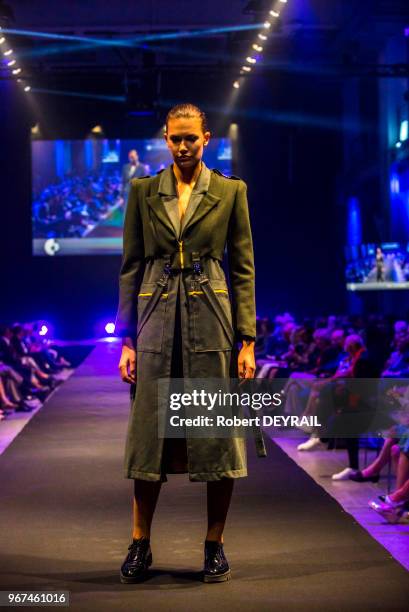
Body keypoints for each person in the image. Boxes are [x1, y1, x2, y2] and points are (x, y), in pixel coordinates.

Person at [115, 103, 257, 584]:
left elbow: (242, 269)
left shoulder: (230, 191)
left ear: (206, 137)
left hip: (212, 319)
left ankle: (215, 546)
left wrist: (247, 340)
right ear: (165, 137)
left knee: (215, 437)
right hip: (156, 319)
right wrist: (127, 340)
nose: (183, 146)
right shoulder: (142, 191)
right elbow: (131, 267)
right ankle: (140, 544)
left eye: (191, 138)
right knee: (149, 437)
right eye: (176, 138)